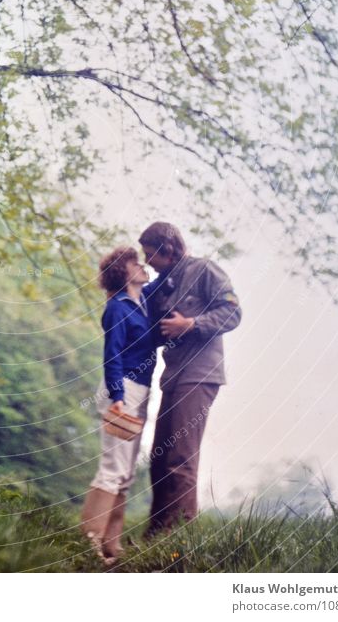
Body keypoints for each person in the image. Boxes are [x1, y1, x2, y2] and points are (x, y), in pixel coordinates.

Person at [139, 221, 241, 536]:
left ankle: (179, 539)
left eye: (149, 254)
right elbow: (152, 332)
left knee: (181, 457)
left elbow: (233, 313)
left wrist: (192, 324)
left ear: (167, 250)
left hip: (200, 374)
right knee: (159, 458)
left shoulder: (206, 270)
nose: (147, 261)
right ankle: (157, 533)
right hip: (172, 377)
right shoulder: (161, 286)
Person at [80, 246, 156, 563]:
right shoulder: (117, 308)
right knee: (112, 469)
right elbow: (111, 355)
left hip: (140, 392)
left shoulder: (141, 303)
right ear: (123, 272)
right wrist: (118, 398)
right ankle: (90, 541)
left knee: (125, 474)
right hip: (122, 390)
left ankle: (112, 545)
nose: (142, 264)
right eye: (134, 262)